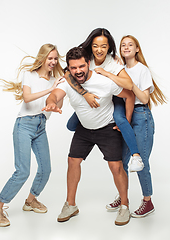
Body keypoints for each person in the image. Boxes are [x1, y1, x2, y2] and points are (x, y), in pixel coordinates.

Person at [42, 47, 134, 226]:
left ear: (88, 63)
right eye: (73, 68)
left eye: (81, 66)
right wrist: (51, 103)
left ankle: (124, 205)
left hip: (107, 128)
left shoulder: (104, 82)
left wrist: (126, 122)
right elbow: (54, 95)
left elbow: (129, 95)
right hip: (84, 129)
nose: (78, 71)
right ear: (68, 68)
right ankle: (70, 205)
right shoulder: (67, 83)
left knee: (116, 167)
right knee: (72, 161)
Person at [0, 44, 64, 227]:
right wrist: (51, 89)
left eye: (55, 59)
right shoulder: (29, 75)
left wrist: (59, 94)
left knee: (46, 169)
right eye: (50, 58)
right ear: (43, 58)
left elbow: (57, 104)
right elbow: (27, 98)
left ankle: (30, 201)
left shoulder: (56, 80)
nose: (53, 62)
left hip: (40, 126)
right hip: (24, 125)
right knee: (22, 171)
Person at [65, 28, 144, 172]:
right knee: (70, 125)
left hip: (113, 97)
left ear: (109, 47)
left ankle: (136, 156)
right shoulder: (85, 57)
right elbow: (67, 74)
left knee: (120, 119)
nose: (99, 50)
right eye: (95, 45)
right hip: (92, 101)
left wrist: (107, 73)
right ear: (90, 46)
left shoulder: (112, 62)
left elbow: (129, 86)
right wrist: (85, 94)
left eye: (103, 46)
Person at [108, 35, 167, 217]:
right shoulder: (120, 69)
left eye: (130, 45)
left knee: (141, 161)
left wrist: (130, 84)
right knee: (123, 161)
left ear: (136, 49)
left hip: (141, 116)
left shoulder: (142, 70)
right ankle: (123, 196)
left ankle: (147, 202)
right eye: (123, 45)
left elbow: (144, 98)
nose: (126, 47)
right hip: (127, 116)